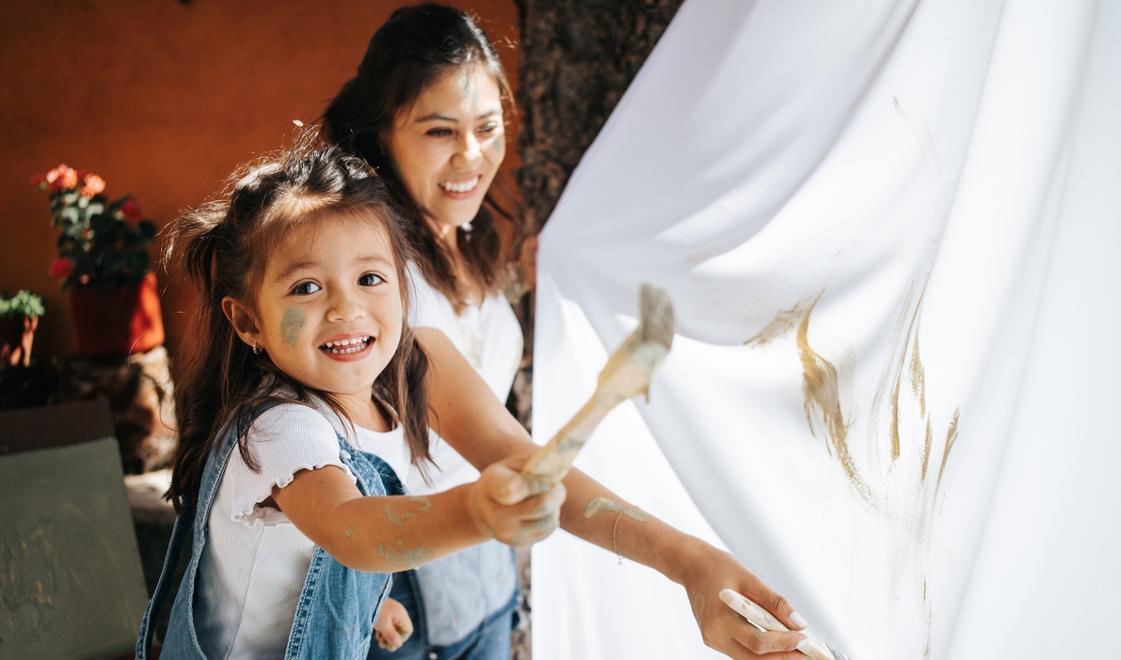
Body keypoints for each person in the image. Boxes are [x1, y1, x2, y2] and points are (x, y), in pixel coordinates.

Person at [323, 4, 816, 659]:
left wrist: (530, 283)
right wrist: (688, 562)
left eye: (488, 127)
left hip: (486, 571)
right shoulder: (374, 286)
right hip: (397, 590)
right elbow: (509, 453)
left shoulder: (464, 240)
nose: (471, 156)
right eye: (440, 131)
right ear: (382, 132)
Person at [135, 137, 567, 659]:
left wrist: (371, 602)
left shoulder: (388, 394)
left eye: (369, 278)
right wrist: (475, 513)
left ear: (404, 290)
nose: (346, 307)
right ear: (248, 321)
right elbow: (349, 526)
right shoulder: (281, 427)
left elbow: (306, 547)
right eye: (306, 288)